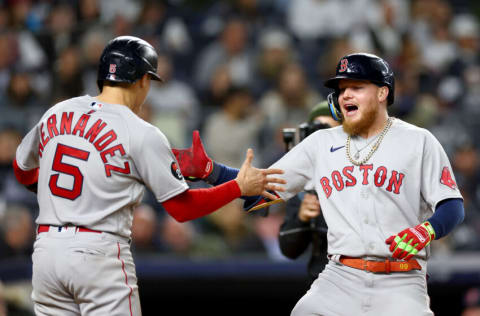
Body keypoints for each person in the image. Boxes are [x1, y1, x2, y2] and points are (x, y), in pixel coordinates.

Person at [12, 35, 286, 316]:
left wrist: (70, 195)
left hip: (46, 251)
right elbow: (182, 208)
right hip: (98, 254)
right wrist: (238, 187)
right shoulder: (140, 131)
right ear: (142, 80)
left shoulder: (58, 111)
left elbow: (22, 170)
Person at [173, 53, 465, 315]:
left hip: (401, 280)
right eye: (341, 89)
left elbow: (452, 205)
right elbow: (262, 184)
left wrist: (427, 230)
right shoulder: (321, 144)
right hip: (340, 277)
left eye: (356, 87)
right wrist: (211, 171)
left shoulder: (418, 140)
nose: (345, 94)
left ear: (382, 92)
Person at [278, 100, 339, 283]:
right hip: (323, 279)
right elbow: (289, 249)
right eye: (316, 133)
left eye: (330, 132)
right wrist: (302, 219)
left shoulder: (363, 174)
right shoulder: (304, 183)